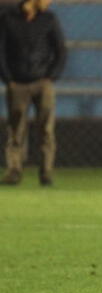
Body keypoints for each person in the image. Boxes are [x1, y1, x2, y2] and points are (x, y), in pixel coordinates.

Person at [0, 0, 66, 186]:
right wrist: (8, 79)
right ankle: (14, 171)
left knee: (46, 129)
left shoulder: (49, 19)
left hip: (42, 83)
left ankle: (46, 173)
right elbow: (1, 51)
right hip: (17, 84)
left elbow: (60, 50)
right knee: (15, 130)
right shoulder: (8, 19)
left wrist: (51, 77)